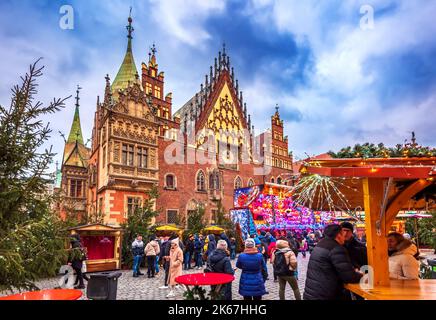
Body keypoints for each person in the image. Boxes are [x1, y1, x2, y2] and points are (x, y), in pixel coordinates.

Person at [303, 224, 363, 300]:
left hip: (312, 294)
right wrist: (362, 275)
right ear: (338, 235)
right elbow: (349, 277)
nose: (344, 236)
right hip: (325, 295)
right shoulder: (336, 248)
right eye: (343, 233)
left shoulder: (320, 244)